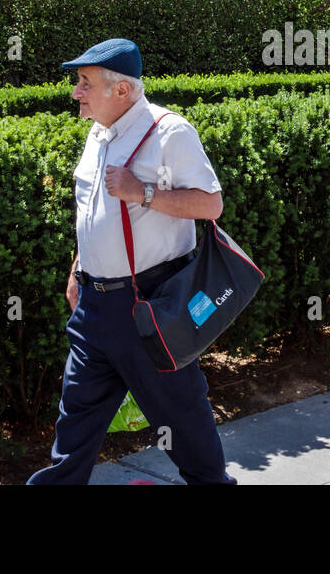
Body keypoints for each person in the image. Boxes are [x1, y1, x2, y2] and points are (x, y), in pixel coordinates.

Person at [28, 38, 234, 485]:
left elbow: (210, 204)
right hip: (94, 307)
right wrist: (77, 269)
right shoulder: (99, 132)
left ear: (122, 90)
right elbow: (91, 210)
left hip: (149, 305)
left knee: (181, 417)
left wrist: (143, 192)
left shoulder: (169, 132)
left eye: (85, 83)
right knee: (75, 420)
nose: (76, 92)